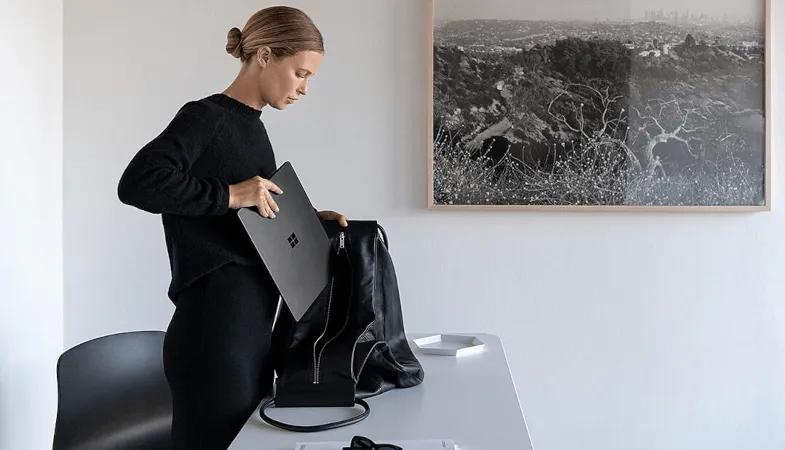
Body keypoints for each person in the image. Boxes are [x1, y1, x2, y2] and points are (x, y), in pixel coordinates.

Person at [117, 6, 347, 449]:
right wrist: (230, 194)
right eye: (300, 72)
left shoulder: (252, 129)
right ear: (264, 56)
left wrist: (304, 218)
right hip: (213, 329)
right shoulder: (206, 117)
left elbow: (250, 217)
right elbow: (138, 183)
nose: (304, 88)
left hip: (249, 325)